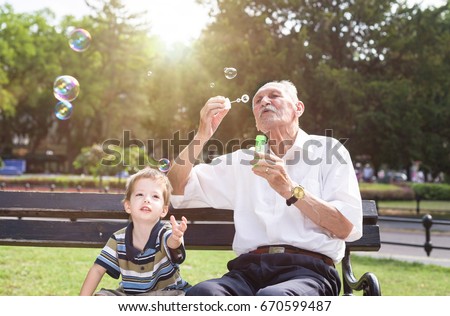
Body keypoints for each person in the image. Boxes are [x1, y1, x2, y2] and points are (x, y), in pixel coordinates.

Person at [168, 80, 362, 296]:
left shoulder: (329, 151)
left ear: (298, 108)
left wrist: (290, 189)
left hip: (309, 272)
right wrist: (202, 134)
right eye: (258, 101)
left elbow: (345, 227)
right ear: (257, 123)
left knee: (272, 299)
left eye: (274, 96)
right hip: (247, 271)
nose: (264, 102)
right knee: (203, 294)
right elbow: (176, 186)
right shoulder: (242, 162)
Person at [80, 167, 190, 296]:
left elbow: (172, 243)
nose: (146, 199)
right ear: (128, 206)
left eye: (155, 196)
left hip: (165, 293)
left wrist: (176, 238)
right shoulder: (118, 239)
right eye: (140, 194)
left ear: (163, 210)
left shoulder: (165, 233)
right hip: (130, 295)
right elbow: (98, 270)